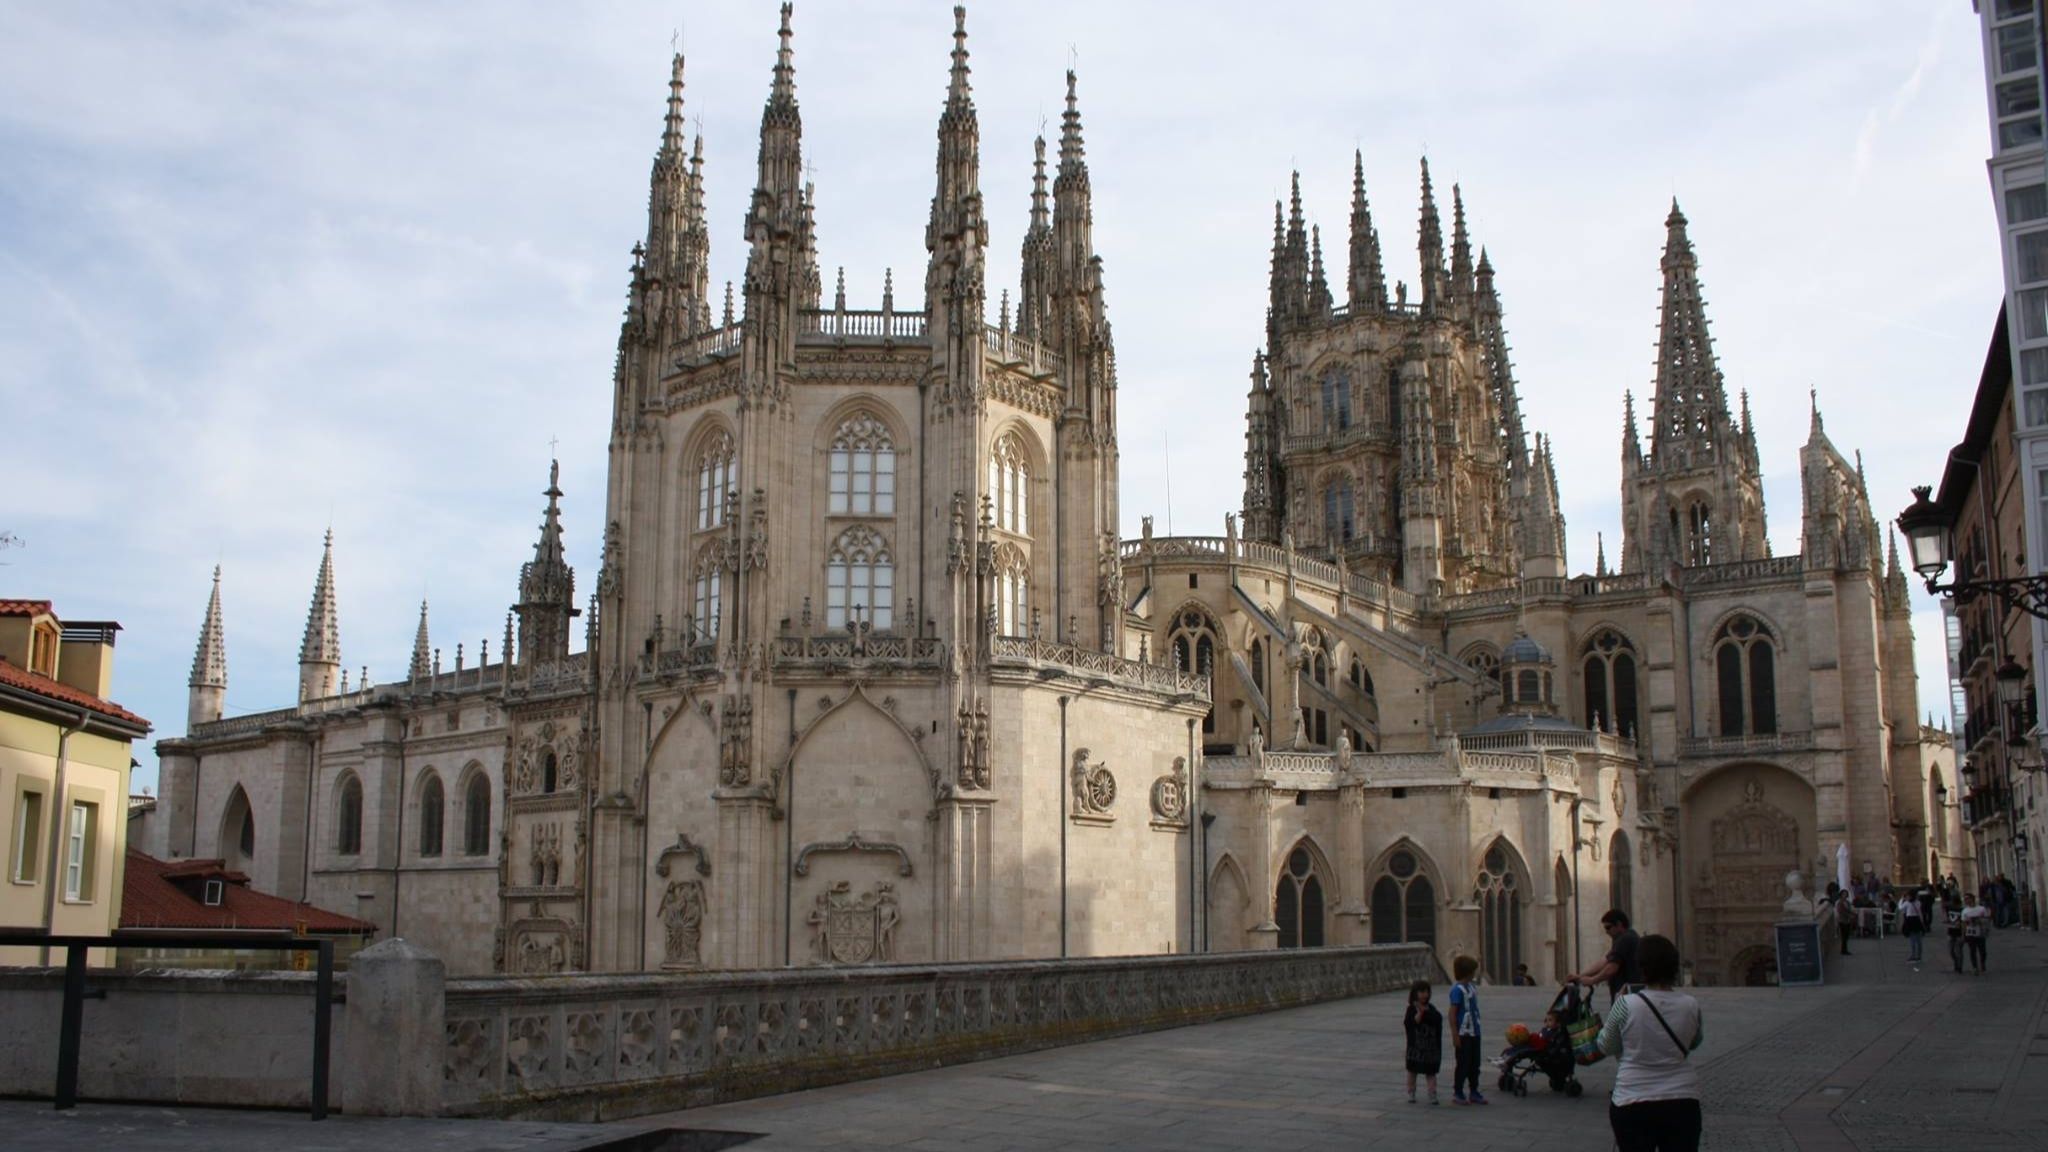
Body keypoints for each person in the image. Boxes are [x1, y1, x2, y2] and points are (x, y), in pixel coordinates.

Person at [1600, 934, 1703, 1152]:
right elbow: (1694, 1042)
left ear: (1642, 968)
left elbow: (1606, 1045)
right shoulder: (1691, 1005)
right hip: (1682, 1099)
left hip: (1633, 1099)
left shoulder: (1625, 1004)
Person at [1572, 908, 1644, 1003]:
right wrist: (1580, 976)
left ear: (1619, 924)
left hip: (1626, 998)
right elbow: (1605, 960)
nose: (1606, 932)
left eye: (1608, 927)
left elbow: (1611, 968)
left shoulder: (1625, 939)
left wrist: (1592, 980)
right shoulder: (1628, 937)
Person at [1447, 954, 1487, 1105]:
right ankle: (1458, 1092)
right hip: (1463, 1032)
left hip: (1475, 1031)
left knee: (1474, 1063)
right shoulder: (1457, 990)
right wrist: (1454, 1034)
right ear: (1468, 972)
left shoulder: (1472, 987)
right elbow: (1452, 1013)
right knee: (1463, 1063)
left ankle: (1474, 1091)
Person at [1403, 979, 1443, 1105]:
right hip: (1415, 1048)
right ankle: (1411, 1092)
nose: (1425, 994)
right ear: (1415, 993)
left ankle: (1432, 1093)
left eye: (1427, 991)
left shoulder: (1431, 1008)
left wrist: (1425, 1012)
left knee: (1431, 1072)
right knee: (1412, 1071)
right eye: (1421, 992)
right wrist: (1419, 1014)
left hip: (1430, 1049)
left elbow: (1437, 1019)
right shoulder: (1411, 1009)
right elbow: (1410, 1024)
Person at [1962, 892, 1993, 973]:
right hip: (1970, 933)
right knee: (1972, 951)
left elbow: (1987, 920)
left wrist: (1986, 929)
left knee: (1982, 951)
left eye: (1968, 899)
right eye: (1965, 899)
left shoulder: (1981, 909)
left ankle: (1982, 963)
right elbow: (1964, 923)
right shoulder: (1965, 911)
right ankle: (1974, 967)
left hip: (1980, 932)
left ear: (1972, 899)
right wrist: (1964, 934)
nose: (1966, 901)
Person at [1899, 886, 1926, 965]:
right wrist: (1922, 922)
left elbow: (1900, 908)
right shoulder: (1918, 902)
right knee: (1918, 939)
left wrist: (1901, 899)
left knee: (1912, 939)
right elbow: (1920, 912)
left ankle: (1913, 955)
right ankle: (1919, 955)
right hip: (1917, 920)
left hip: (1910, 920)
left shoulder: (1907, 903)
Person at [1941, 889, 1966, 974]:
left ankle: (1959, 966)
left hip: (1959, 932)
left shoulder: (1962, 910)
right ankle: (1956, 963)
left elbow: (1963, 922)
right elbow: (1943, 908)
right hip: (1951, 931)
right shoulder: (1949, 907)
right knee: (1951, 951)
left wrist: (1963, 934)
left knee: (1958, 950)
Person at [1834, 888, 1855, 956]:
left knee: (1846, 936)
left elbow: (1849, 910)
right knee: (1844, 936)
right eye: (1843, 894)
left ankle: (1845, 949)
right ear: (1841, 895)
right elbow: (1841, 911)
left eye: (1846, 894)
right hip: (1842, 921)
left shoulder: (1847, 902)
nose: (1845, 895)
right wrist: (1849, 915)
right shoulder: (1839, 902)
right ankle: (1843, 950)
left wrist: (1853, 914)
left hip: (1847, 921)